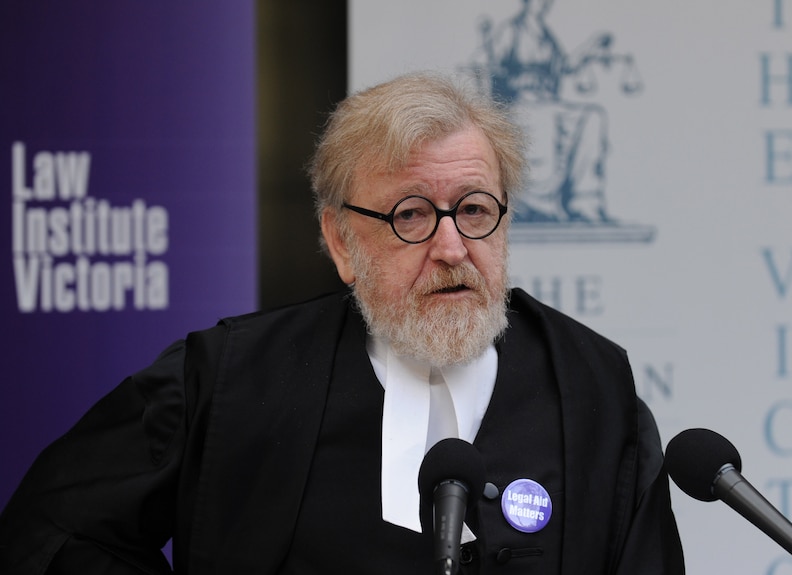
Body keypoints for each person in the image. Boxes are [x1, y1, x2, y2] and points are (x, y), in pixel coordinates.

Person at [0, 72, 684, 574]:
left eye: (474, 209)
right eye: (411, 215)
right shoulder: (235, 376)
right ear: (338, 240)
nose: (452, 246)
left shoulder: (593, 385)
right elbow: (52, 530)